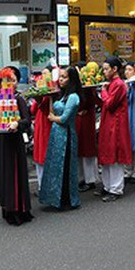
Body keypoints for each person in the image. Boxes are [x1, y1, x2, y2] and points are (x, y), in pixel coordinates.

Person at [0, 67, 33, 225]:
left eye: (13, 81)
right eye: (6, 81)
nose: (9, 84)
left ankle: (18, 210)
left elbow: (27, 120)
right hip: (1, 142)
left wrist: (17, 123)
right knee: (4, 175)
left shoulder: (18, 99)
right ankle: (7, 208)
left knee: (15, 175)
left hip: (14, 142)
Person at [39, 66, 82, 209]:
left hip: (66, 135)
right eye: (60, 77)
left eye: (64, 77)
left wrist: (53, 118)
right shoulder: (62, 95)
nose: (61, 80)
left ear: (72, 79)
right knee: (55, 166)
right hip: (56, 135)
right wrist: (50, 97)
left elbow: (64, 119)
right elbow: (51, 113)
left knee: (65, 167)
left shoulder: (73, 97)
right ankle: (54, 198)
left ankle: (66, 200)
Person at [97, 57, 132, 202]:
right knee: (106, 154)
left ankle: (116, 188)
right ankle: (107, 186)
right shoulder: (112, 83)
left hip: (115, 124)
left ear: (115, 69)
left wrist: (103, 91)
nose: (104, 72)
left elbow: (110, 103)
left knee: (115, 156)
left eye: (106, 69)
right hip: (108, 122)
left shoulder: (118, 84)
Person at [76, 75, 100, 192]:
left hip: (86, 122)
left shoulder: (89, 89)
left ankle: (90, 180)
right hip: (79, 122)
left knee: (87, 152)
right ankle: (82, 178)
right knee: (80, 152)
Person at [31, 91, 53, 193]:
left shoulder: (50, 97)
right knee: (40, 157)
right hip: (40, 128)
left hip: (45, 128)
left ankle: (45, 187)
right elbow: (33, 110)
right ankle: (42, 186)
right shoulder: (45, 97)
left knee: (44, 157)